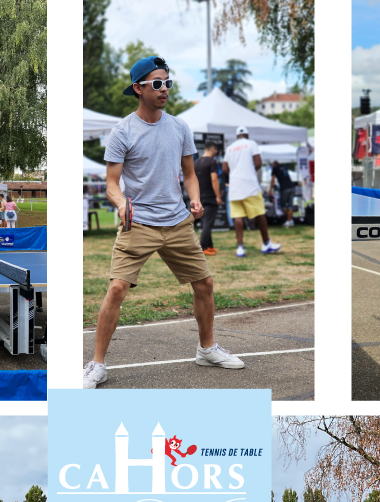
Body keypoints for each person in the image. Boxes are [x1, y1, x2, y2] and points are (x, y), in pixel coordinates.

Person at [86, 56, 244, 389]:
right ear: (138, 88)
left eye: (167, 83)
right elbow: (112, 183)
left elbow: (189, 173)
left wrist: (196, 198)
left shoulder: (179, 128)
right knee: (116, 288)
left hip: (176, 223)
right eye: (157, 83)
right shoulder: (122, 132)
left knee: (204, 284)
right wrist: (119, 203)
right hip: (138, 223)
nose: (164, 89)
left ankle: (206, 349)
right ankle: (96, 365)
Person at [223, 126, 281, 259]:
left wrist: (235, 173)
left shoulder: (230, 148)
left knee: (238, 216)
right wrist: (249, 170)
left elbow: (225, 168)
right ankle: (266, 243)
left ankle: (240, 247)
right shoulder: (251, 144)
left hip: (235, 186)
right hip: (250, 185)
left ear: (237, 136)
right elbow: (258, 163)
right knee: (260, 213)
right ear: (247, 135)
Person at [194, 142, 223, 255]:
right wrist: (218, 196)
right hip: (210, 196)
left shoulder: (197, 163)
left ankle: (210, 245)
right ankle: (204, 247)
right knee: (208, 223)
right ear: (213, 149)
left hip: (200, 196)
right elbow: (214, 179)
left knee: (204, 221)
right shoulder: (211, 162)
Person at [269, 158, 296, 227]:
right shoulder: (284, 167)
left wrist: (270, 190)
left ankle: (288, 221)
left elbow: (273, 180)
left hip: (284, 188)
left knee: (283, 206)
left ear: (274, 165)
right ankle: (290, 220)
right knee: (290, 205)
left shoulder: (275, 169)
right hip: (292, 187)